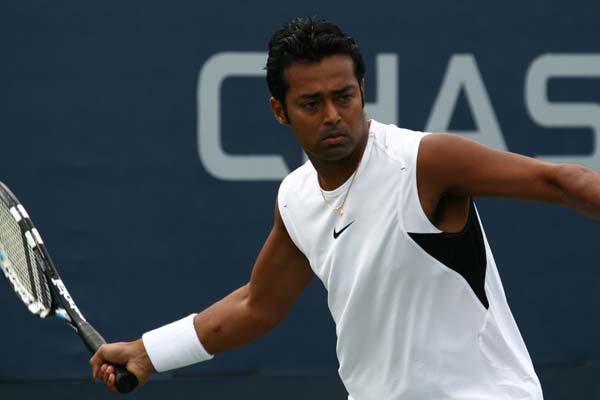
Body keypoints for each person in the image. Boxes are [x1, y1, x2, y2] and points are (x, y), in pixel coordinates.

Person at [90, 17, 600, 399]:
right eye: (312, 104)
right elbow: (257, 305)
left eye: (345, 96)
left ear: (362, 92)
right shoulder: (296, 197)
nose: (333, 115)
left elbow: (562, 181)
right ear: (280, 111)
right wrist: (149, 352)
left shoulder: (423, 162)